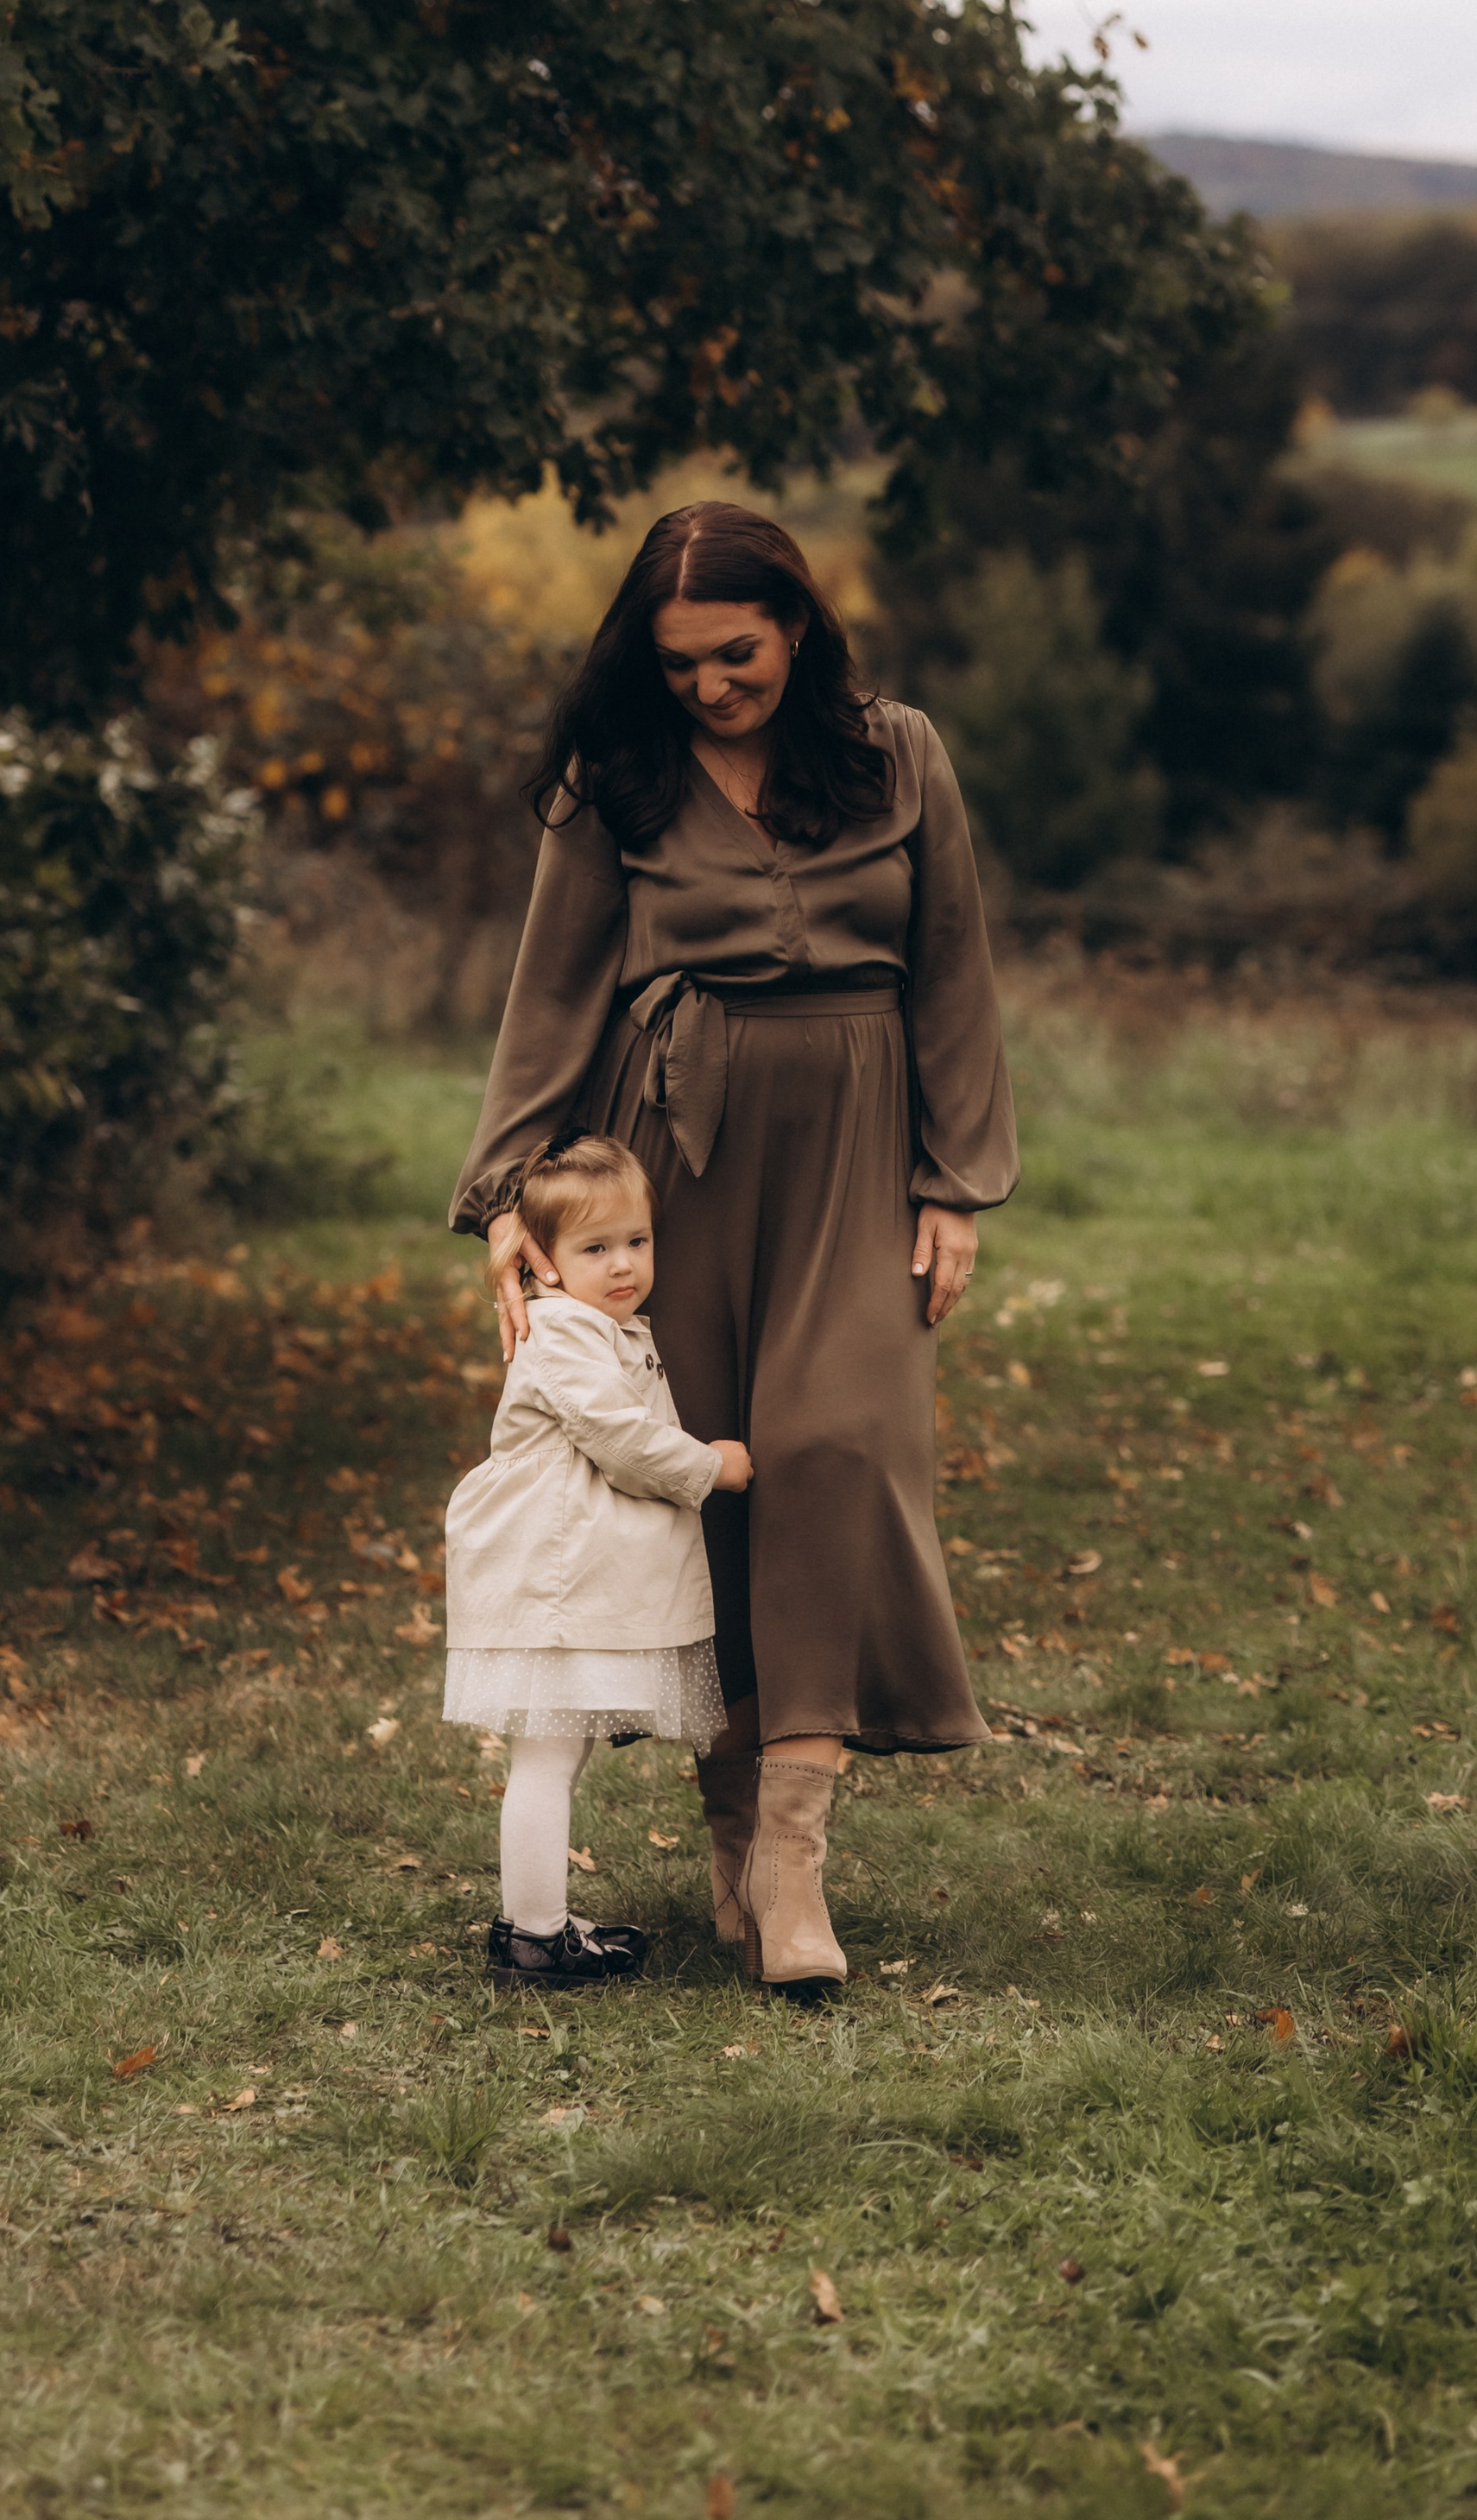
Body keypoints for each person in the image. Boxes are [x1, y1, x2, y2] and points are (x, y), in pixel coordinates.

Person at [450, 499, 1018, 1992]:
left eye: (737, 654)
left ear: (801, 628)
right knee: (698, 1473)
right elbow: (554, 992)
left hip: (857, 1148)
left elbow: (954, 965)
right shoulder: (616, 779)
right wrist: (511, 1187)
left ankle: (794, 1856)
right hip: (669, 1165)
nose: (711, 686)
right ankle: (726, 1828)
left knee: (834, 1451)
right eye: (681, 661)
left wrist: (953, 1183)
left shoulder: (900, 756)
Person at [443, 1132, 755, 1992]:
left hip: (567, 1572)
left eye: (636, 1242)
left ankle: (537, 1920)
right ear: (541, 1259)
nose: (622, 1264)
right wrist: (709, 1466)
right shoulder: (562, 1333)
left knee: (559, 1751)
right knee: (545, 1755)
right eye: (594, 1248)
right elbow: (619, 1441)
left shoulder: (600, 1324)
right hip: (549, 1577)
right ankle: (533, 1941)